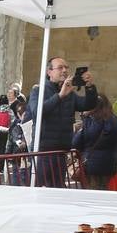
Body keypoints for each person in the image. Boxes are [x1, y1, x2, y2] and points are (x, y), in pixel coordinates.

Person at [28, 58, 99, 187]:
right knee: (41, 189)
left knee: (58, 188)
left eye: (66, 67)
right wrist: (59, 96)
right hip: (43, 151)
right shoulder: (39, 90)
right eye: (60, 68)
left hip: (61, 150)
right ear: (49, 72)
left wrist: (90, 87)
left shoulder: (69, 93)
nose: (65, 70)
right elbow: (37, 112)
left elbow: (87, 104)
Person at [72, 93, 117, 190]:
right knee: (105, 191)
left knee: (92, 194)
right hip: (110, 164)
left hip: (91, 164)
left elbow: (76, 143)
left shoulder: (90, 121)